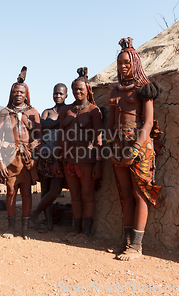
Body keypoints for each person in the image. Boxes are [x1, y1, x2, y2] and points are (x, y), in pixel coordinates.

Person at [108, 37, 164, 261]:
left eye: (126, 62)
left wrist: (135, 149)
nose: (122, 66)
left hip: (139, 145)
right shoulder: (114, 91)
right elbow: (112, 123)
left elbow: (148, 123)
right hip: (119, 143)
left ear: (135, 64)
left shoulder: (144, 89)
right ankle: (128, 240)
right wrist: (111, 148)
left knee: (139, 193)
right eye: (119, 62)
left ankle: (137, 246)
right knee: (124, 194)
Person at [57, 68, 103, 243]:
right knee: (74, 195)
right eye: (75, 89)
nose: (78, 92)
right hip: (69, 158)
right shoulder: (66, 111)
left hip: (87, 158)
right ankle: (76, 229)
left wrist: (98, 162)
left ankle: (87, 232)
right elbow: (61, 134)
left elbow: (99, 136)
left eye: (81, 89)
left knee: (87, 194)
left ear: (87, 90)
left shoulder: (94, 111)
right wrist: (59, 157)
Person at [0, 67, 41, 240]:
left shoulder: (33, 113)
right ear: (11, 93)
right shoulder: (4, 113)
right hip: (10, 159)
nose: (18, 94)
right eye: (15, 91)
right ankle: (10, 227)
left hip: (27, 159)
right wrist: (0, 162)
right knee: (10, 191)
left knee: (27, 192)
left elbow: (39, 137)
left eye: (21, 91)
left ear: (26, 93)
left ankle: (25, 228)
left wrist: (34, 158)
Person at [31, 83, 68, 233]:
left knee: (55, 190)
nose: (58, 96)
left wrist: (51, 124)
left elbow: (48, 125)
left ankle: (35, 213)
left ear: (66, 95)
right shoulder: (47, 111)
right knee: (45, 189)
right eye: (56, 93)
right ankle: (48, 224)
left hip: (59, 156)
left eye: (61, 94)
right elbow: (42, 125)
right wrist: (59, 122)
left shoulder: (68, 110)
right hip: (44, 154)